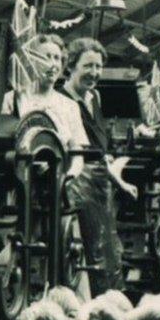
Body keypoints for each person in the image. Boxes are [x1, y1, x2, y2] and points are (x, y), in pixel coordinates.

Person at [60, 37, 137, 295]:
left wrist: (117, 177)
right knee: (89, 248)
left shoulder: (94, 98)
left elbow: (100, 147)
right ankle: (89, 302)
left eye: (98, 66)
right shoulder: (61, 100)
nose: (94, 73)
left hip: (100, 182)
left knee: (107, 246)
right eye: (87, 66)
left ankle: (108, 299)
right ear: (71, 66)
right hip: (77, 182)